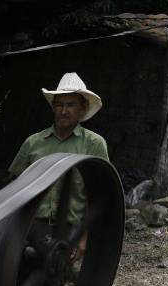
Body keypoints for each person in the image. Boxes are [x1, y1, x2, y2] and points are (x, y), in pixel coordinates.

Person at [8, 72, 108, 260]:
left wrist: (83, 237)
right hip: (32, 226)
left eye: (70, 105)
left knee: (53, 278)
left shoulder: (94, 144)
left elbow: (98, 195)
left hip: (70, 228)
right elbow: (14, 187)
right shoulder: (33, 143)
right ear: (53, 107)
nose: (64, 111)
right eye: (60, 104)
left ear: (82, 108)